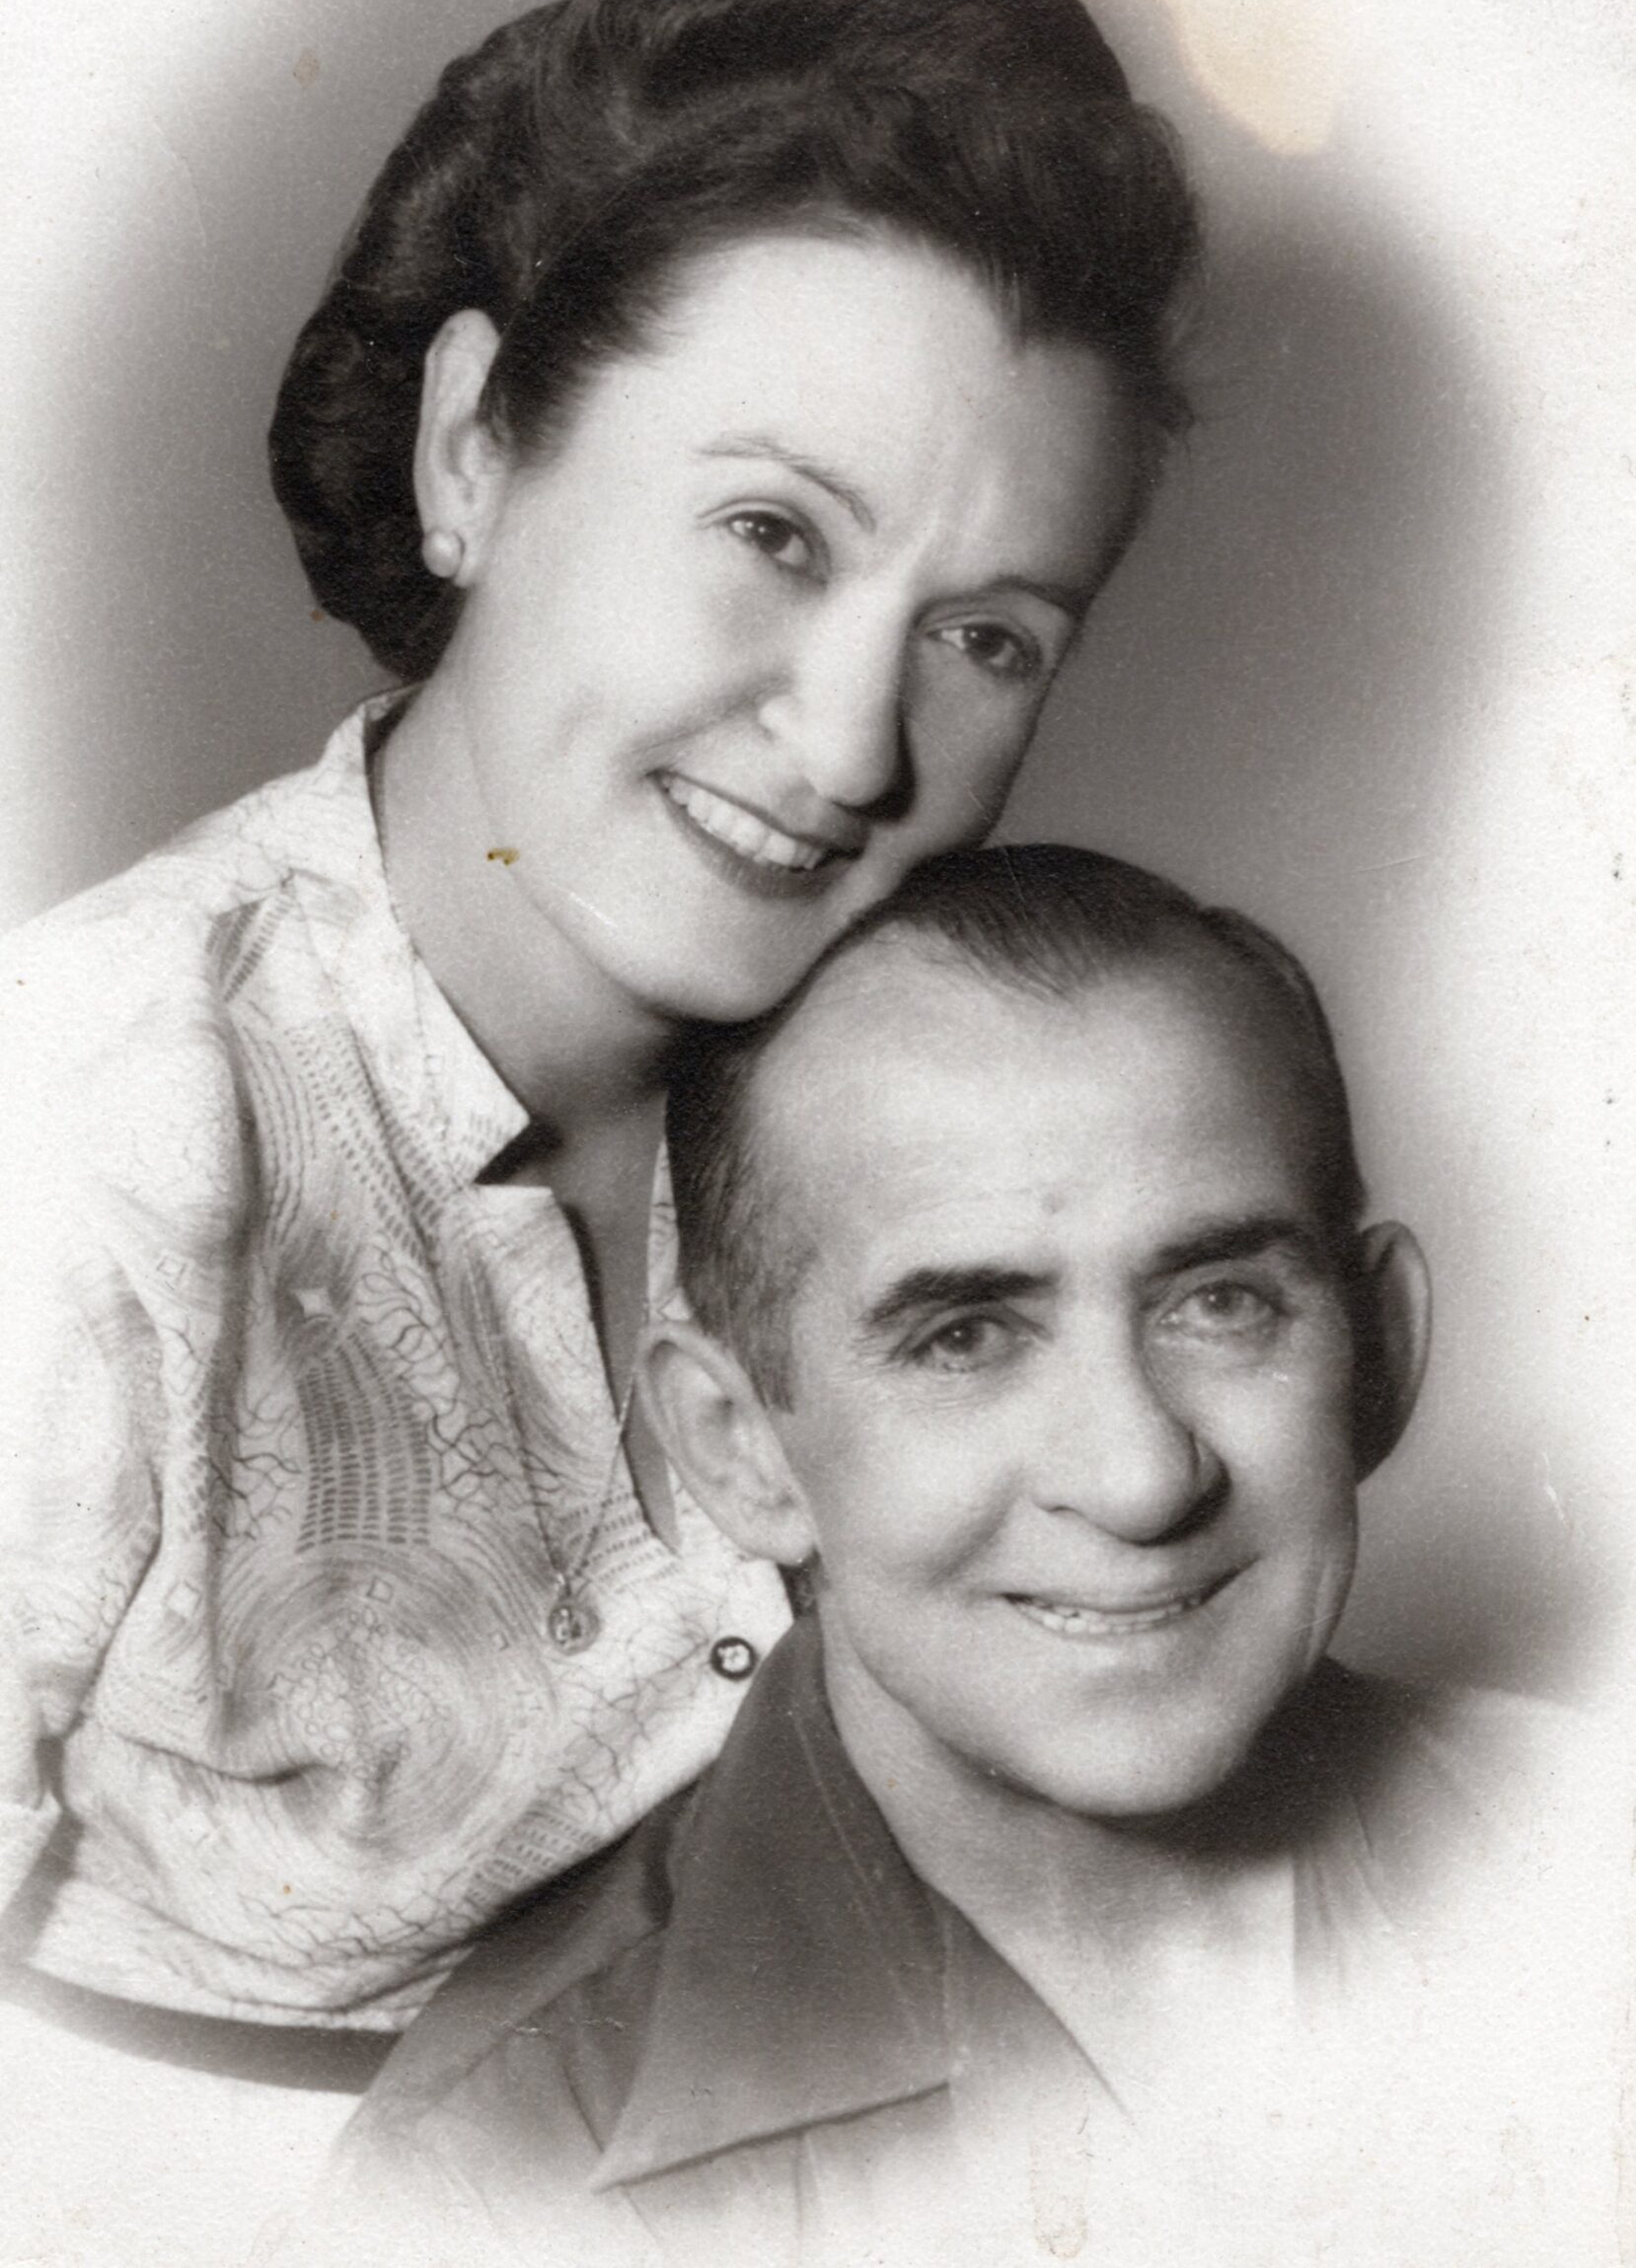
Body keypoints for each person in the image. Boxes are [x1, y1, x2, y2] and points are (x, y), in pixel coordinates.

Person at [0, 0, 1198, 2108]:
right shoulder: (78, 1127)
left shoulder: (950, 1096)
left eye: (989, 636)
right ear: (474, 446)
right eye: (770, 531)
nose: (853, 744)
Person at [285, 846, 1626, 2268]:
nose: (1138, 1477)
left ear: (1384, 1354)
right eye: (963, 1337)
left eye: (1223, 1302)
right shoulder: (495, 2186)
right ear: (738, 1451)